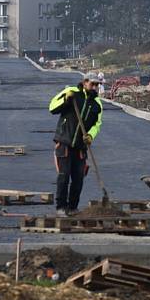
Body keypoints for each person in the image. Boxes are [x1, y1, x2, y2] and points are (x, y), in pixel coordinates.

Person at [48, 74, 103, 216]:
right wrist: (66, 100)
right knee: (64, 176)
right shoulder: (72, 92)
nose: (95, 87)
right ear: (85, 82)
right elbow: (52, 107)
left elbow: (97, 124)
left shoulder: (97, 104)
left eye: (98, 85)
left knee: (78, 178)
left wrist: (90, 135)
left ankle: (72, 207)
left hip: (80, 147)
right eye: (93, 84)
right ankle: (61, 207)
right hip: (65, 142)